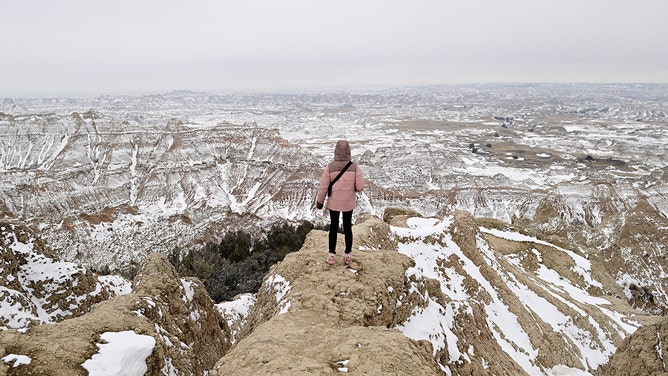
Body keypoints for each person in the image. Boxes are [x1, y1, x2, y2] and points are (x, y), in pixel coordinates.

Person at [315, 140, 365, 265]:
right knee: (348, 227)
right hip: (348, 203)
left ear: (336, 151)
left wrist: (319, 202)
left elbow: (323, 187)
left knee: (333, 227)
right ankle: (348, 255)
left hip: (334, 203)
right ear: (349, 151)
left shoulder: (330, 167)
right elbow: (360, 187)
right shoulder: (354, 167)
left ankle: (331, 255)